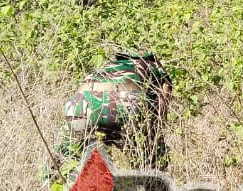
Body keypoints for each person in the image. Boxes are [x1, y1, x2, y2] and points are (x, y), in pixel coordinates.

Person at [52, 50, 173, 183]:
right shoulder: (154, 67)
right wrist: (154, 137)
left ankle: (50, 185)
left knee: (64, 158)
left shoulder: (109, 65)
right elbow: (162, 104)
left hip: (80, 103)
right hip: (124, 103)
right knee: (153, 164)